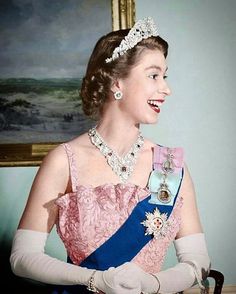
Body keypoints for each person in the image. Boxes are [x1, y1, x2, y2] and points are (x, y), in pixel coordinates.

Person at [10, 17, 210, 294]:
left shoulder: (169, 166)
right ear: (118, 83)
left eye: (165, 76)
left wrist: (152, 284)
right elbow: (22, 258)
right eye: (154, 75)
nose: (166, 88)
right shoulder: (63, 160)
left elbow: (198, 261)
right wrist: (94, 279)